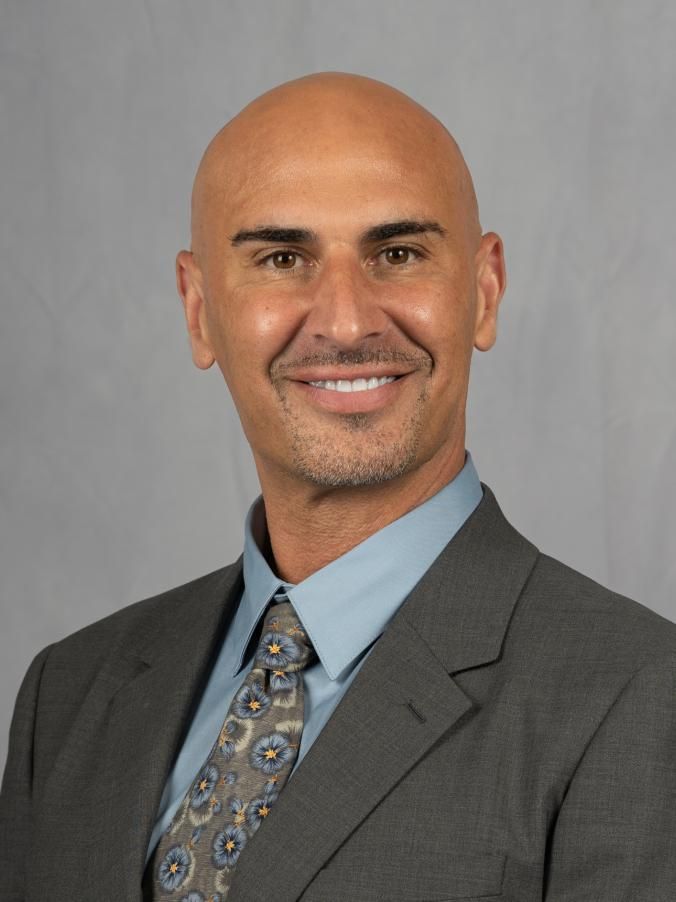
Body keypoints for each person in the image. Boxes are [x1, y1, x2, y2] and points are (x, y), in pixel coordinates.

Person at [1, 71, 675, 902]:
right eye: (282, 258)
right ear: (199, 308)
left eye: (397, 254)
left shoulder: (641, 699)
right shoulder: (67, 698)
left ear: (484, 291)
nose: (347, 321)